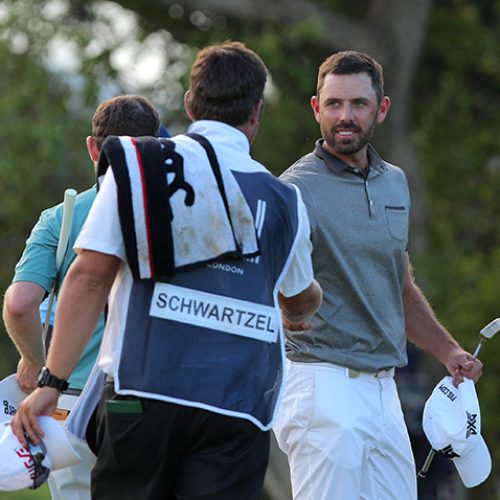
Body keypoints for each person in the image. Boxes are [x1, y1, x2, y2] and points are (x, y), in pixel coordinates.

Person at [11, 41, 322, 500]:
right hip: (237, 405)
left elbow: (88, 276)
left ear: (190, 104)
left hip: (143, 392)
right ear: (256, 112)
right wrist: (296, 310)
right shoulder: (284, 200)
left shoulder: (138, 166)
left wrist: (52, 382)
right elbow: (300, 296)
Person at [272, 50, 483, 500]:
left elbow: (400, 286)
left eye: (358, 104)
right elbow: (262, 282)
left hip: (385, 389)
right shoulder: (292, 189)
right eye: (333, 104)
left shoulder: (395, 183)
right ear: (316, 108)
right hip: (322, 384)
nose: (345, 116)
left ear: (381, 109)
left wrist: (448, 350)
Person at [3, 94, 162, 499]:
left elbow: (20, 304)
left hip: (68, 401)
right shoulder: (175, 212)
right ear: (157, 144)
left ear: (94, 148)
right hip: (148, 394)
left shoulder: (62, 217)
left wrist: (40, 367)